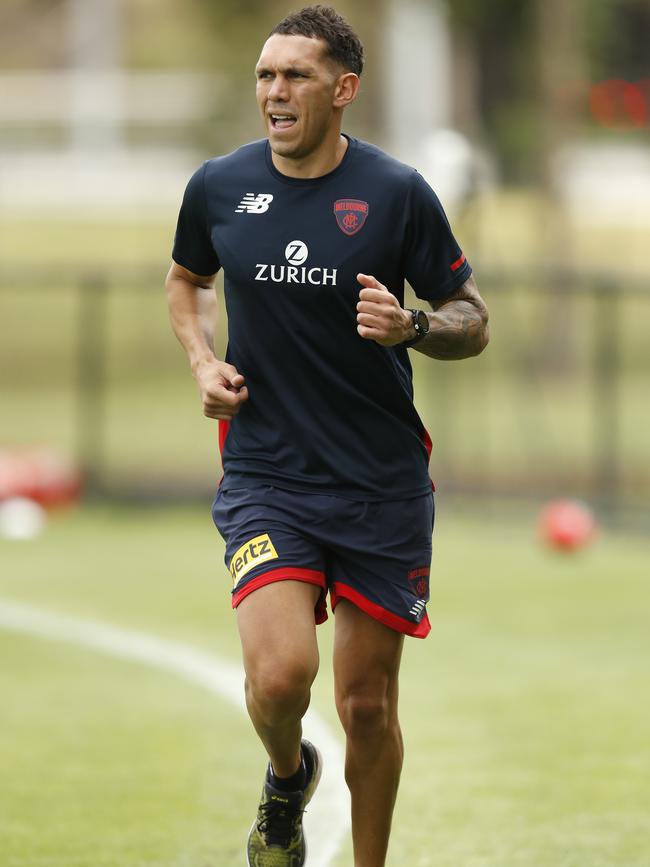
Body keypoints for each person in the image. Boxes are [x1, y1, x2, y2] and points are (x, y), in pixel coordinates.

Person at [166, 6, 489, 866]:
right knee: (278, 678)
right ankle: (285, 778)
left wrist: (412, 327)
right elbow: (186, 280)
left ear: (343, 90)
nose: (275, 91)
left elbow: (473, 317)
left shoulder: (395, 194)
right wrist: (203, 360)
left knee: (368, 707)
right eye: (267, 75)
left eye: (296, 75)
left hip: (381, 483)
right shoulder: (220, 186)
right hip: (268, 475)